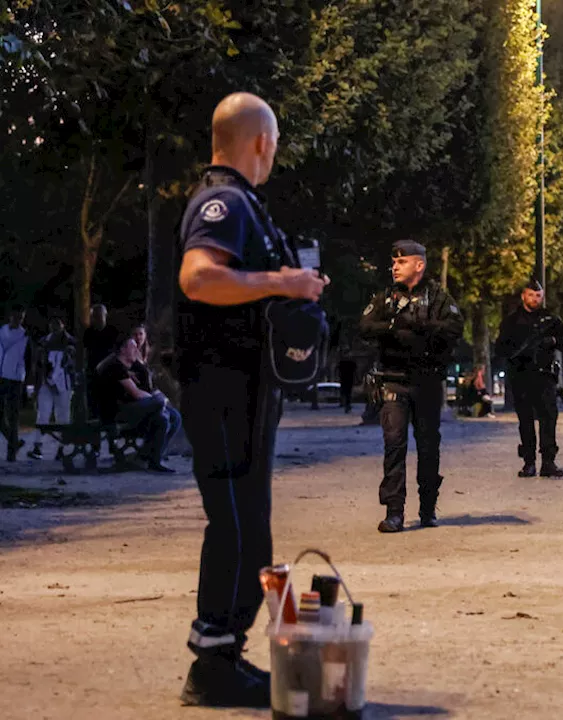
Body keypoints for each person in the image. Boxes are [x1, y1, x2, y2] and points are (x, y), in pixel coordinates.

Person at [175, 92, 329, 707]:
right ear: (261, 142)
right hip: (220, 385)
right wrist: (285, 282)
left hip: (242, 386)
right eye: (275, 144)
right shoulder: (225, 201)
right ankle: (212, 661)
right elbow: (198, 276)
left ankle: (223, 654)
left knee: (248, 519)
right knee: (235, 521)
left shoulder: (245, 204)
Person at [359, 240, 464, 532]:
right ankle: (394, 512)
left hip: (427, 382)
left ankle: (428, 508)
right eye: (393, 262)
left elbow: (456, 328)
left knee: (428, 447)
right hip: (393, 379)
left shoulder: (438, 297)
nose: (394, 266)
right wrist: (393, 328)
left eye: (401, 262)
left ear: (419, 265)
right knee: (394, 445)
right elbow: (365, 325)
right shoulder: (385, 298)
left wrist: (422, 328)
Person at [496, 279, 563, 478]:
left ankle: (548, 461)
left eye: (538, 296)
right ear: (523, 296)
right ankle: (529, 462)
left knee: (548, 418)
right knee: (526, 420)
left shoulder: (550, 320)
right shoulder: (511, 322)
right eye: (531, 295)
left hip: (545, 375)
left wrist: (551, 341)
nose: (534, 299)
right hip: (521, 376)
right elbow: (500, 348)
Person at [95, 336, 182, 473]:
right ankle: (146, 457)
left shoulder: (134, 366)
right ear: (123, 350)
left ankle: (151, 459)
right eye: (133, 347)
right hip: (116, 412)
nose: (137, 350)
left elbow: (147, 387)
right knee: (159, 403)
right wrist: (159, 399)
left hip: (135, 408)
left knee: (171, 418)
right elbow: (136, 393)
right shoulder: (115, 366)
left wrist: (155, 398)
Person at [28, 316, 76, 460]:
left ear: (63, 326)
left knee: (63, 415)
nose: (54, 327)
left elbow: (75, 363)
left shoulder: (70, 342)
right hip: (46, 383)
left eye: (57, 324)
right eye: (52, 324)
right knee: (43, 413)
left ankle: (62, 448)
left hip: (64, 383)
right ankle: (38, 446)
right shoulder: (44, 342)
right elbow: (37, 365)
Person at [0, 306, 31, 462]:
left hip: (15, 378)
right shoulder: (1, 331)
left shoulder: (25, 336)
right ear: (10, 316)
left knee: (13, 416)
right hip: (1, 376)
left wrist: (25, 379)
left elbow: (28, 359)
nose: (19, 321)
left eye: (21, 318)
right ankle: (15, 442)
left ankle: (11, 452)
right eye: (17, 317)